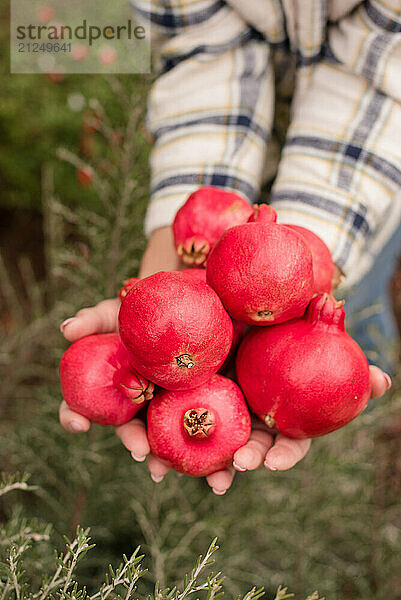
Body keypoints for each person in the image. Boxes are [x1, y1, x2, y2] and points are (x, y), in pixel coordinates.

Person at [59, 0, 400, 494]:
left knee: (360, 304)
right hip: (221, 188)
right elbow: (199, 44)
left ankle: (362, 466)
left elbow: (381, 67)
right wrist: (175, 256)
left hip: (362, 166)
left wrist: (299, 253)